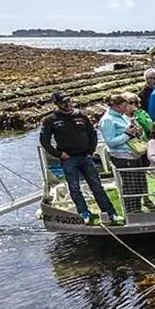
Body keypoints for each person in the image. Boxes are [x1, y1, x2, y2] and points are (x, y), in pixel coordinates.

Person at [39, 91, 120, 225]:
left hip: (85, 156)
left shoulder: (81, 115)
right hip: (68, 159)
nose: (67, 104)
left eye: (68, 101)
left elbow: (92, 134)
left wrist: (91, 151)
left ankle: (110, 212)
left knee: (96, 186)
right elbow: (44, 141)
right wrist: (59, 154)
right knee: (74, 188)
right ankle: (84, 212)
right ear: (57, 104)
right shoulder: (50, 120)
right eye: (63, 102)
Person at [99, 92, 149, 216]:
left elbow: (131, 131)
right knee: (130, 186)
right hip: (122, 157)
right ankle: (131, 213)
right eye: (124, 106)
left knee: (138, 185)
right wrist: (127, 134)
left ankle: (138, 210)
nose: (127, 108)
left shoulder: (123, 117)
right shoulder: (107, 120)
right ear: (116, 106)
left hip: (134, 155)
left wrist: (137, 131)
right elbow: (111, 142)